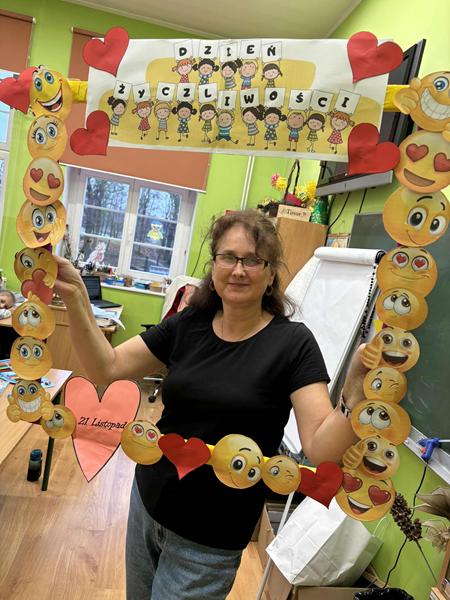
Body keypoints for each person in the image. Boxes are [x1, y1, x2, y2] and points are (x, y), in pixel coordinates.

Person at [53, 210, 368, 600]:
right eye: (228, 257)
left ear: (271, 274)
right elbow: (107, 367)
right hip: (148, 503)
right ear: (214, 266)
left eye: (252, 260)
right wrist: (76, 297)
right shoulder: (189, 324)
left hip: (210, 537)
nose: (238, 270)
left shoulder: (293, 344)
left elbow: (320, 448)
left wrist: (355, 397)